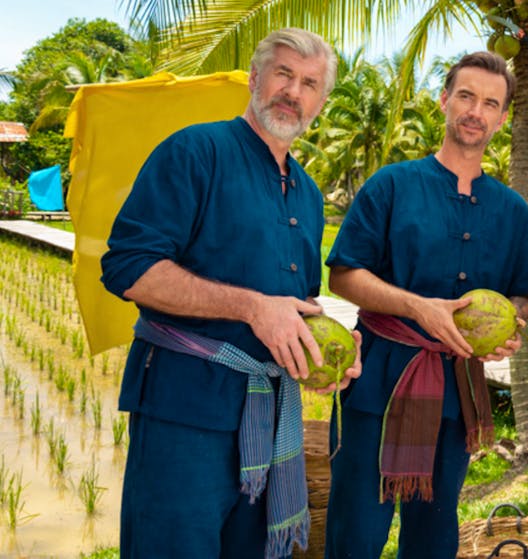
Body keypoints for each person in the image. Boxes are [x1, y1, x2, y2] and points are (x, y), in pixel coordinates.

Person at [101, 28, 360, 559]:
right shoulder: (195, 151)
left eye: (310, 83)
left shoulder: (308, 194)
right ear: (255, 78)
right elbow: (128, 267)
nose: (294, 91)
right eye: (284, 74)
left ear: (321, 101)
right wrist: (250, 307)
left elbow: (292, 305)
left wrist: (328, 352)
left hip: (265, 423)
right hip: (185, 413)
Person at [322, 51, 528, 559]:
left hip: (457, 391)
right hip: (378, 382)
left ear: (503, 118)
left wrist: (510, 327)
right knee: (355, 533)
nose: (475, 110)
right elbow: (343, 274)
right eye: (465, 96)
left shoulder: (510, 210)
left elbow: (523, 293)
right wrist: (418, 308)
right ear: (445, 101)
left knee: (433, 536)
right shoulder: (392, 185)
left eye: (490, 103)